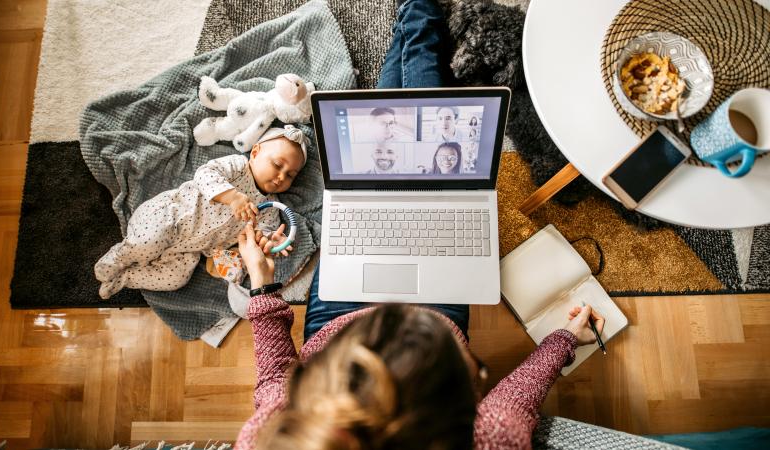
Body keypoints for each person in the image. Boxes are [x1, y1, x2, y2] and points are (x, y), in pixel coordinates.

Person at [236, 221, 605, 449]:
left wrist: (261, 283)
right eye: (476, 371)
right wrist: (564, 340)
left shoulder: (279, 437)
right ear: (465, 419)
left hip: (336, 315)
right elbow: (517, 400)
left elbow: (273, 377)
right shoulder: (493, 441)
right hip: (435, 309)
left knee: (370, 199)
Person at [94, 126, 305, 299]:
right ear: (256, 152)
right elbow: (204, 174)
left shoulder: (269, 207)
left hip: (189, 250)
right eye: (277, 165)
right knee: (148, 242)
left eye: (290, 176)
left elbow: (259, 234)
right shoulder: (238, 166)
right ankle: (119, 258)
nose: (280, 177)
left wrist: (271, 240)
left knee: (176, 278)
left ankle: (125, 278)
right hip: (171, 217)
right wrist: (232, 196)